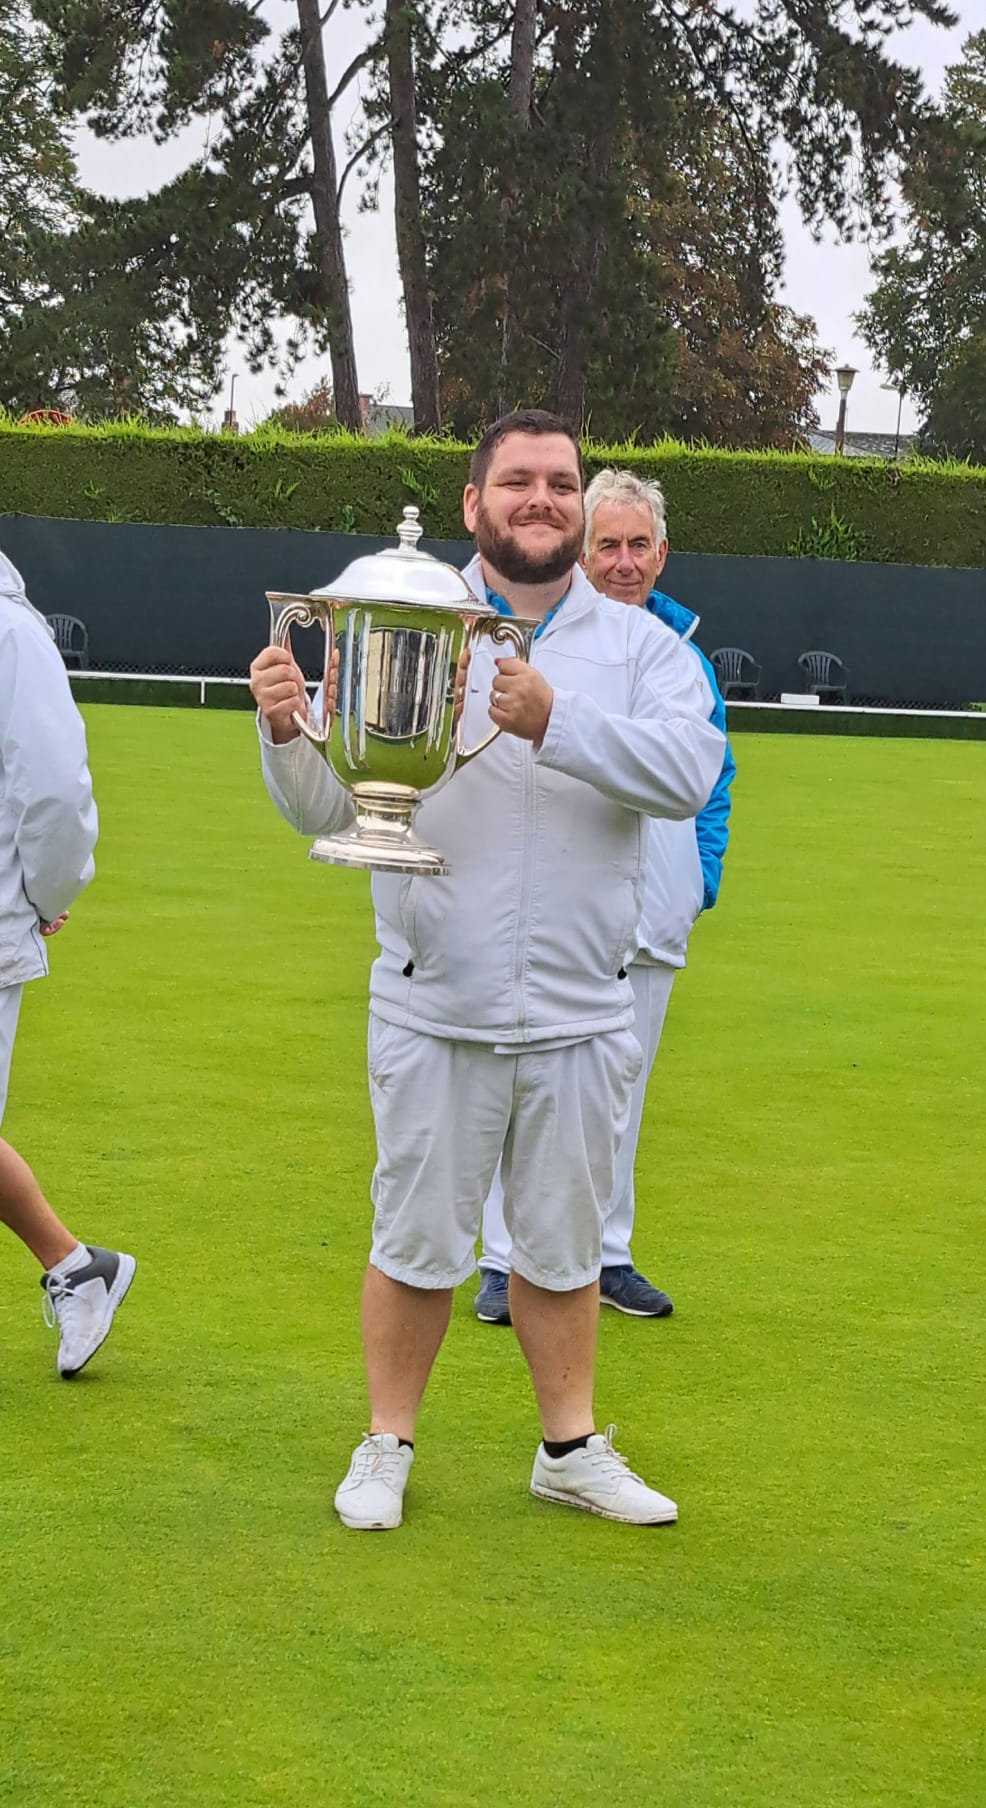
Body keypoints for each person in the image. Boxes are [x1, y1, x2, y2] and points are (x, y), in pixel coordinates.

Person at [249, 410, 726, 1532]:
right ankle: (386, 1444)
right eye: (517, 481)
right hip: (434, 996)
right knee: (415, 1242)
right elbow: (328, 807)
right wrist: (284, 730)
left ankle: (569, 1449)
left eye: (560, 481)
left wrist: (560, 722)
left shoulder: (642, 648)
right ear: (474, 503)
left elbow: (688, 773)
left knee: (563, 1249)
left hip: (581, 1004)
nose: (541, 499)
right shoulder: (403, 613)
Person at [476, 467, 735, 1323]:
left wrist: (699, 875)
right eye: (608, 545)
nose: (624, 562)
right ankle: (500, 1260)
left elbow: (713, 777)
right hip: (557, 905)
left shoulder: (683, 656)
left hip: (654, 916)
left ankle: (607, 1254)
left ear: (662, 554)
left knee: (620, 1091)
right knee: (520, 1081)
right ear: (582, 553)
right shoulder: (541, 641)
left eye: (638, 545)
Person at [0, 549, 136, 1375]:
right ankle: (79, 1268)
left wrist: (42, 897)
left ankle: (78, 1268)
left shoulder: (12, 634)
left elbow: (55, 793)